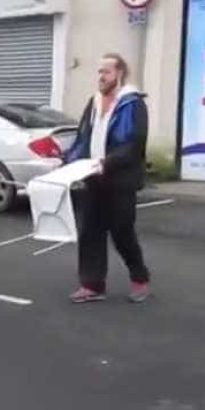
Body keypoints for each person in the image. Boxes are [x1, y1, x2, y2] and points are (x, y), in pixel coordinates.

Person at [62, 53, 151, 304]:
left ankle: (140, 278)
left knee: (122, 233)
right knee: (90, 232)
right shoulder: (94, 102)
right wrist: (67, 161)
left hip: (120, 181)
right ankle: (92, 285)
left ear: (120, 73)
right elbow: (83, 138)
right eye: (99, 72)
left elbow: (134, 143)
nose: (101, 77)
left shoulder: (132, 104)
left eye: (106, 72)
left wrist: (108, 162)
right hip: (92, 179)